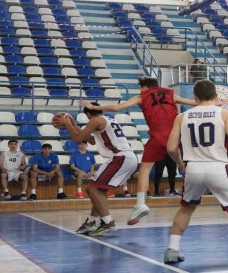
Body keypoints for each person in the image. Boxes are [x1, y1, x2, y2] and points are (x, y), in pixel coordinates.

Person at [81, 76, 209, 225]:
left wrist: (93, 107)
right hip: (176, 134)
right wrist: (216, 104)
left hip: (157, 136)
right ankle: (189, 169)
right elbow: (195, 103)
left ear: (145, 87)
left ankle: (141, 204)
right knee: (185, 157)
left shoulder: (142, 96)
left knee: (145, 169)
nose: (140, 90)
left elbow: (117, 108)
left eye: (140, 88)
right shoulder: (170, 93)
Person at [163, 80, 228, 264]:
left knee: (186, 208)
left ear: (195, 96)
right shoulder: (225, 114)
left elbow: (171, 148)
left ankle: (171, 249)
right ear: (216, 97)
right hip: (219, 167)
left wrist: (181, 164)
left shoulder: (181, 117)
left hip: (193, 168)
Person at [62, 104, 139, 236]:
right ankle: (91, 222)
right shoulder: (107, 120)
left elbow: (78, 138)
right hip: (126, 157)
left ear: (88, 114)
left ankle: (108, 222)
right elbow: (91, 140)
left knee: (91, 189)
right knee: (99, 191)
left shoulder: (95, 120)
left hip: (119, 157)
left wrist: (67, 123)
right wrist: (74, 126)